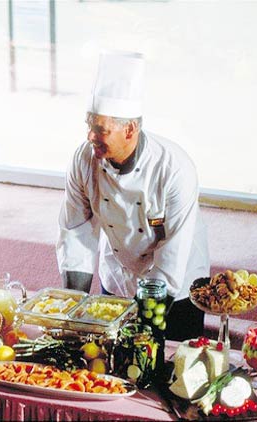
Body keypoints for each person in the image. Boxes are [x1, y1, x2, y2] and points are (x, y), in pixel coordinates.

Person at [57, 51, 210, 341]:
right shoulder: (83, 159)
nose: (90, 135)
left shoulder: (174, 169)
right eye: (89, 124)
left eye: (100, 128)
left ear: (130, 129)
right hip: (118, 276)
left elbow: (172, 254)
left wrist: (144, 327)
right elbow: (76, 230)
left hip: (175, 286)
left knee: (167, 368)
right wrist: (73, 309)